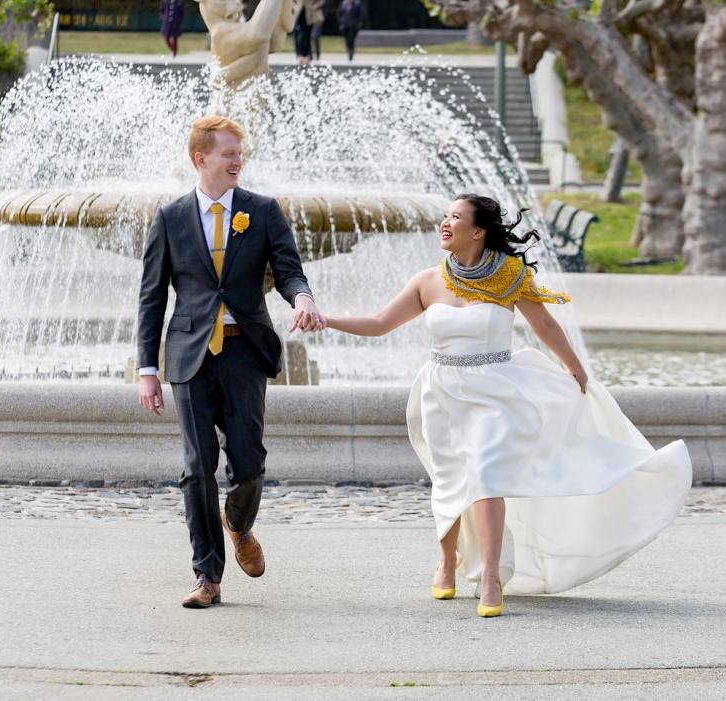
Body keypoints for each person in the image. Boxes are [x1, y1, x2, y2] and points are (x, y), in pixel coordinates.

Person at [323, 194, 693, 618]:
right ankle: (447, 560)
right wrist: (325, 318)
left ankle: (490, 576)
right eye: (445, 217)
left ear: (477, 231)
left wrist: (575, 368)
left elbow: (545, 324)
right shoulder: (427, 280)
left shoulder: (509, 276)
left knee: (485, 474)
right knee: (449, 480)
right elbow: (378, 324)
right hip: (441, 391)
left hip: (495, 391)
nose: (445, 224)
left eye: (455, 218)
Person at [136, 115, 324, 609]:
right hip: (189, 357)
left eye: (239, 153)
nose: (237, 161)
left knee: (249, 465)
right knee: (197, 467)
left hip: (244, 352)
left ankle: (237, 524)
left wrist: (301, 298)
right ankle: (207, 577)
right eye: (227, 154)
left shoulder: (261, 211)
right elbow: (151, 298)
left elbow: (288, 269)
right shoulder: (170, 218)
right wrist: (147, 370)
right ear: (202, 159)